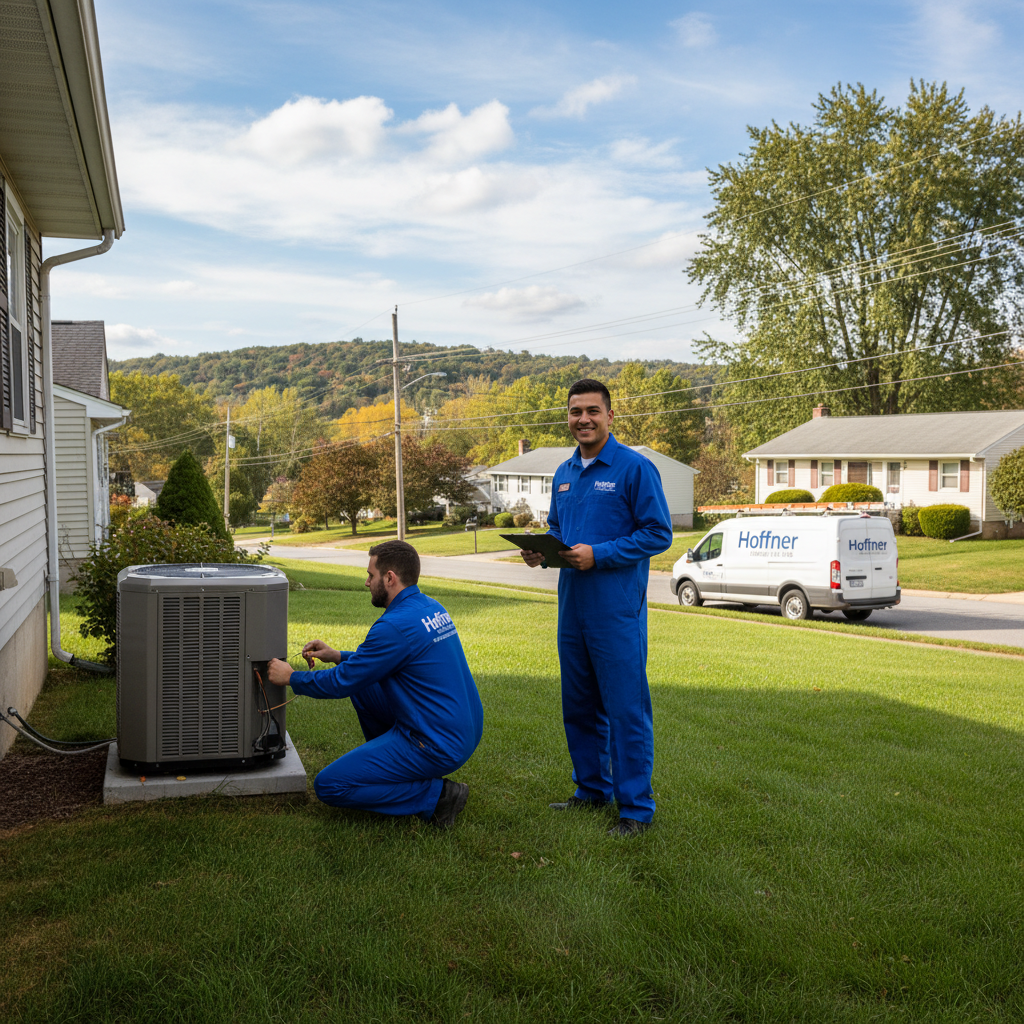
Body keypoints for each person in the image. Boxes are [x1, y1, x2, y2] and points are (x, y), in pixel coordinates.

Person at [520, 379, 672, 836]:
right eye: (575, 412)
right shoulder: (564, 472)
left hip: (616, 611)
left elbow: (658, 533)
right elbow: (558, 528)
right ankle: (591, 790)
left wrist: (599, 554)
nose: (583, 419)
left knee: (626, 711)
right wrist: (541, 551)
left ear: (609, 416)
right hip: (572, 608)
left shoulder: (634, 468)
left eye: (592, 411)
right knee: (579, 705)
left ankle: (636, 810)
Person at [267, 540, 483, 828]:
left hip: (436, 742)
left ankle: (438, 796)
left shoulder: (393, 626)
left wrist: (291, 677)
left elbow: (341, 682)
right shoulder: (429, 606)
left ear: (390, 578)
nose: (367, 582)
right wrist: (338, 655)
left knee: (329, 785)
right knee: (366, 688)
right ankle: (394, 768)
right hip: (462, 728)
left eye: (371, 575)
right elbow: (377, 662)